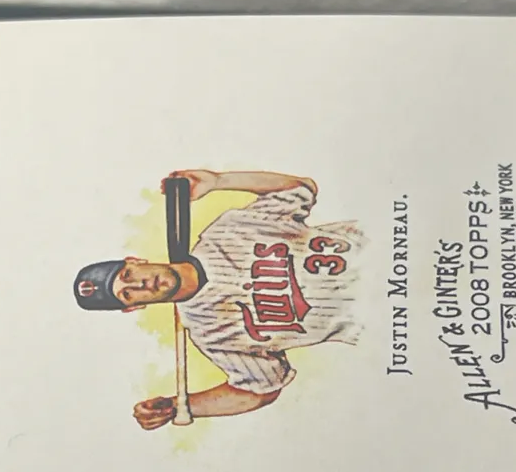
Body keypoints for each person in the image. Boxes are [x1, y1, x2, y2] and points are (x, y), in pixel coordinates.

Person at [73, 169, 368, 430]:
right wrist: (178, 405)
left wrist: (219, 181)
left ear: (135, 261)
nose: (141, 283)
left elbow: (299, 189)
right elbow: (260, 390)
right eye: (128, 293)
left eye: (128, 274)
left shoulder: (228, 229)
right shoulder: (210, 333)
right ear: (135, 307)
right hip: (379, 317)